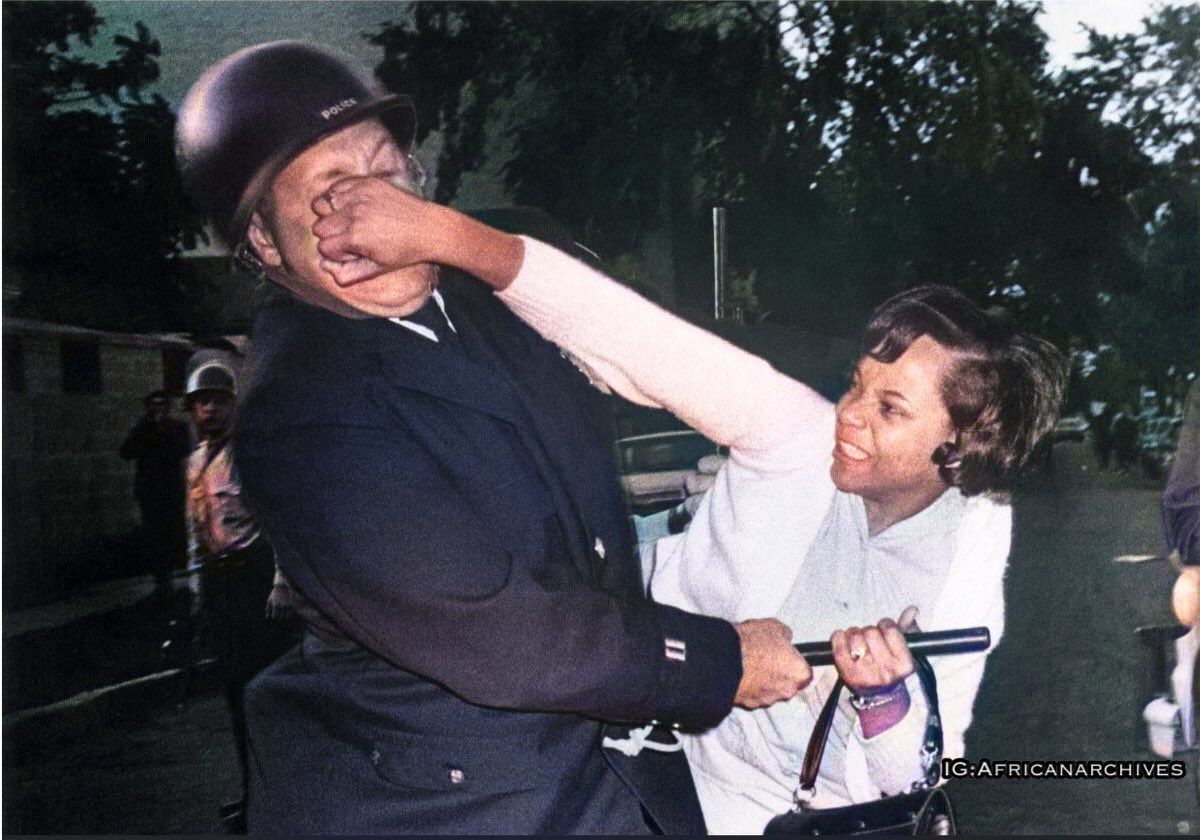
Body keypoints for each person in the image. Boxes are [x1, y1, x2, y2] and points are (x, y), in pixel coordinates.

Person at [174, 41, 810, 835]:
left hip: (597, 764)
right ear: (266, 245)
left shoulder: (479, 293)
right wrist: (717, 663)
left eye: (388, 174)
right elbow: (508, 638)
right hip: (456, 800)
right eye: (333, 192)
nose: (377, 213)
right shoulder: (303, 413)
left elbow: (652, 347)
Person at [309, 183, 1068, 833]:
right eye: (857, 384)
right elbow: (639, 340)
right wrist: (452, 237)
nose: (851, 414)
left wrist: (888, 703)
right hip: (660, 770)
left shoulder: (963, 564)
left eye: (891, 408)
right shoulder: (797, 435)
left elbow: (916, 777)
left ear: (963, 446)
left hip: (800, 820)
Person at [183, 360, 297, 833]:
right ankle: (252, 795)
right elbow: (195, 528)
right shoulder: (193, 463)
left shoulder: (251, 454)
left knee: (262, 695)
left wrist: (281, 582)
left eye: (219, 400)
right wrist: (194, 586)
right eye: (201, 402)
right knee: (233, 692)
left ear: (235, 404)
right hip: (218, 583)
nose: (210, 409)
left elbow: (280, 520)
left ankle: (278, 800)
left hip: (255, 582)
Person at [119, 389, 191, 594]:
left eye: (161, 404)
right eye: (153, 405)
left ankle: (171, 573)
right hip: (149, 491)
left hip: (170, 490)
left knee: (171, 532)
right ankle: (160, 577)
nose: (157, 408)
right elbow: (126, 452)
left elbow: (183, 449)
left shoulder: (178, 428)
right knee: (153, 534)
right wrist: (145, 429)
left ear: (167, 407)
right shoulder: (142, 428)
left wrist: (163, 430)